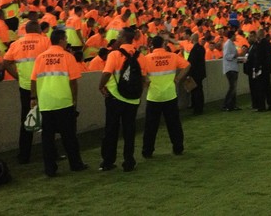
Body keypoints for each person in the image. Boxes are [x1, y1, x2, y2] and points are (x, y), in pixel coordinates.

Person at [30, 29, 87, 177]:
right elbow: (73, 82)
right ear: (61, 40)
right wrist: (75, 100)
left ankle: (50, 169)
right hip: (63, 101)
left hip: (46, 102)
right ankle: (75, 164)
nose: (67, 41)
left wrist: (33, 98)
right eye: (66, 38)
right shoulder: (67, 57)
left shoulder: (40, 57)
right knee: (69, 136)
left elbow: (33, 80)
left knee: (47, 139)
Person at [98, 27, 145, 172]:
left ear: (124, 38)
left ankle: (108, 161)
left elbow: (106, 74)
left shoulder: (114, 54)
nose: (117, 37)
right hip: (132, 99)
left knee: (111, 129)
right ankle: (129, 161)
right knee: (129, 130)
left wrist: (100, 87)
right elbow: (142, 78)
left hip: (115, 97)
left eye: (119, 35)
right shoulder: (140, 56)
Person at [4, 20, 51, 164]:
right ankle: (50, 154)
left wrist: (18, 76)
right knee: (48, 121)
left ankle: (24, 156)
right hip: (43, 85)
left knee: (26, 120)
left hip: (25, 87)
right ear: (38, 29)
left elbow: (6, 62)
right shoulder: (45, 41)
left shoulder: (16, 43)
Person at [141, 35, 189, 158]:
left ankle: (147, 151)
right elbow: (188, 65)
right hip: (170, 95)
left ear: (152, 45)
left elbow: (142, 74)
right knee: (174, 124)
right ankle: (178, 148)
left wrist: (146, 83)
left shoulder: (146, 58)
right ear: (163, 44)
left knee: (151, 126)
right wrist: (178, 79)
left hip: (154, 96)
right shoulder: (172, 56)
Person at [257, 28, 271, 111]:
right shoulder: (269, 44)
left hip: (262, 69)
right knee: (268, 87)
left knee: (261, 88)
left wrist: (259, 67)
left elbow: (260, 58)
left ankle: (262, 106)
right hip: (267, 69)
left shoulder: (261, 44)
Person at [187, 33, 206, 115]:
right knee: (199, 90)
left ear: (192, 39)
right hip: (200, 73)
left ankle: (197, 108)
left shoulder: (195, 49)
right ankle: (199, 106)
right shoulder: (201, 48)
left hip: (195, 73)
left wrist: (189, 74)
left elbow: (191, 62)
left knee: (196, 91)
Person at [221, 29, 241, 111]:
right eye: (234, 35)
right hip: (230, 68)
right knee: (232, 87)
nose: (235, 36)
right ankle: (227, 105)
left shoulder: (231, 44)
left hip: (233, 67)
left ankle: (232, 105)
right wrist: (235, 55)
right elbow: (226, 56)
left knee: (233, 87)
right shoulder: (228, 44)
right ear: (232, 36)